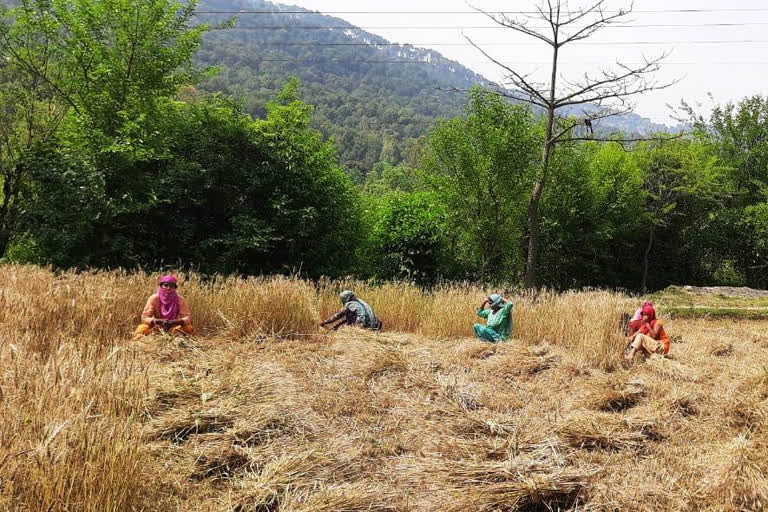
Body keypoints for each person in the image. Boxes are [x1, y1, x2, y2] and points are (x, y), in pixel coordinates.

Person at [133, 275, 195, 339]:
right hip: (156, 328)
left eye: (171, 286)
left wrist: (174, 322)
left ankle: (175, 338)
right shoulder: (154, 298)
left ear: (175, 288)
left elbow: (187, 318)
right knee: (142, 329)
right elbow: (144, 317)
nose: (168, 288)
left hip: (174, 329)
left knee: (189, 328)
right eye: (165, 285)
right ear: (161, 286)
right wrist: (159, 321)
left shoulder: (180, 299)